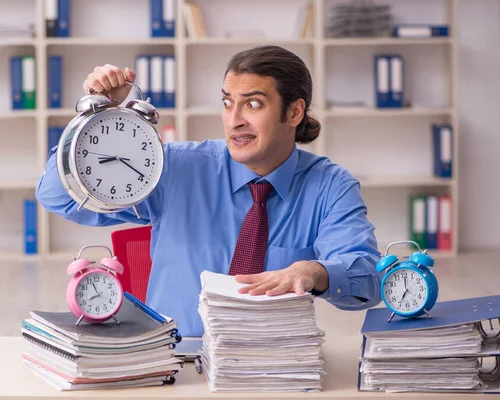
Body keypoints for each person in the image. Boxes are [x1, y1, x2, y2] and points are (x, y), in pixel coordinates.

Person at [36, 45, 382, 337]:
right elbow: (57, 196)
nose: (234, 120)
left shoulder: (331, 186)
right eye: (227, 102)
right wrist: (96, 115)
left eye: (253, 104)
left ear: (294, 112)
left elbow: (366, 278)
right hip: (173, 360)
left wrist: (314, 271)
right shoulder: (174, 167)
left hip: (270, 368)